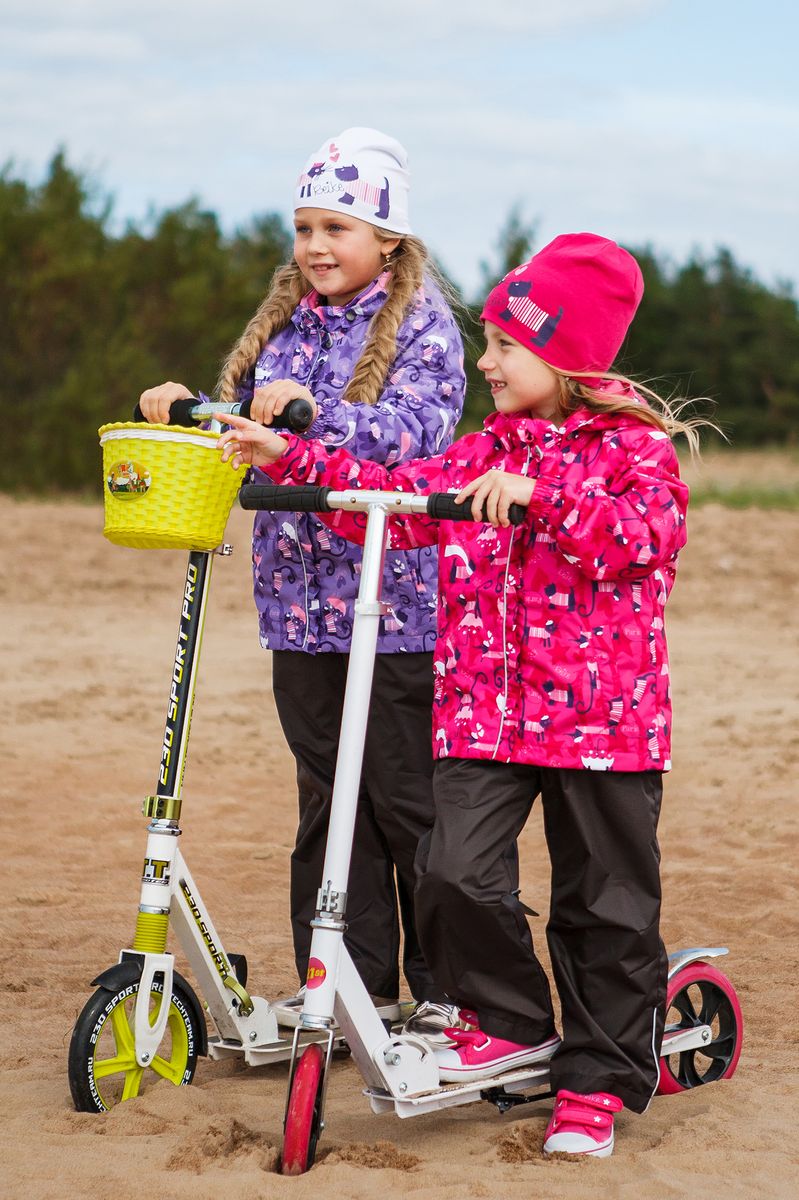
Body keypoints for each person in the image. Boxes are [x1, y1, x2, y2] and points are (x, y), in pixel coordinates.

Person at [213, 231, 706, 1158]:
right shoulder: (482, 449)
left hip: (600, 724)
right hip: (484, 711)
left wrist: (541, 500)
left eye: (505, 346)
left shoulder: (634, 453)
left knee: (603, 903)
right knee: (452, 873)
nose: (484, 360)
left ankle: (596, 1080)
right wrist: (290, 457)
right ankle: (515, 1021)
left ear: (565, 356)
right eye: (486, 342)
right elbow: (396, 495)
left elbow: (642, 539)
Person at [138, 127, 466, 1026]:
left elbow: (417, 437)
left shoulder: (426, 325)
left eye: (338, 228)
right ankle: (346, 987)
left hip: (395, 609)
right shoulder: (284, 323)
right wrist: (190, 413)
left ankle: (448, 997)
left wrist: (311, 425)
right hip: (300, 608)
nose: (316, 247)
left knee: (408, 802)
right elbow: (246, 438)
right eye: (304, 227)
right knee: (329, 802)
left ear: (387, 240)